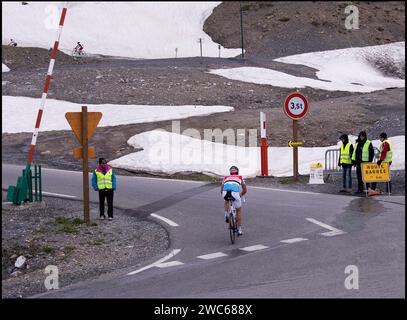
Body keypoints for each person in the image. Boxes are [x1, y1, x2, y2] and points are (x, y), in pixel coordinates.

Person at [221, 166, 247, 236]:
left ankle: (226, 214)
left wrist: (223, 196)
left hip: (225, 192)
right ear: (237, 172)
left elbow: (221, 190)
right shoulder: (240, 177)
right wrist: (240, 195)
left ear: (230, 172)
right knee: (238, 210)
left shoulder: (225, 177)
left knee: (226, 200)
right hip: (235, 193)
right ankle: (239, 229)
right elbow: (244, 190)